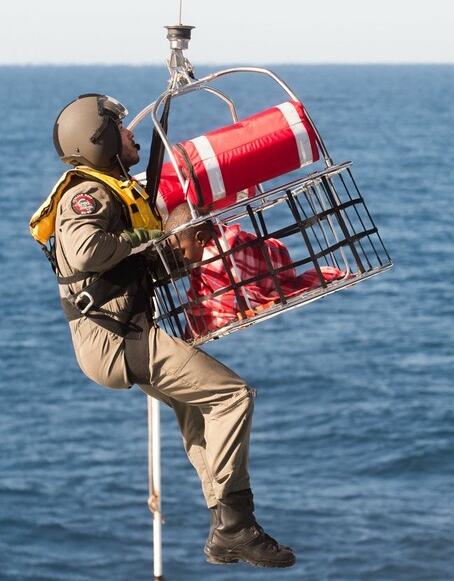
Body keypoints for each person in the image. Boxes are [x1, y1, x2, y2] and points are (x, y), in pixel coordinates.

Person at [29, 93, 295, 569]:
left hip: (118, 336)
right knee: (232, 396)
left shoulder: (113, 190)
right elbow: (88, 251)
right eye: (123, 129)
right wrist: (154, 240)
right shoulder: (85, 196)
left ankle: (222, 530)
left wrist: (177, 249)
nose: (132, 135)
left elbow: (124, 266)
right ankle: (237, 524)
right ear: (102, 139)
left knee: (198, 413)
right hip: (117, 340)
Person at [165, 202, 345, 338]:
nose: (181, 260)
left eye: (181, 252)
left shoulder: (216, 260)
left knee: (209, 309)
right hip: (280, 257)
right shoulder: (210, 255)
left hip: (276, 264)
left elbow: (237, 300)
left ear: (201, 239)